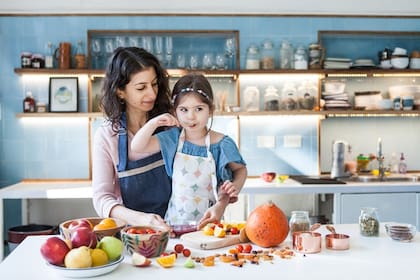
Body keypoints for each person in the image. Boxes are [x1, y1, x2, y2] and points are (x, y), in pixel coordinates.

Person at [131, 72, 247, 229]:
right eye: (183, 110)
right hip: (173, 226)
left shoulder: (222, 144)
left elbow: (240, 169)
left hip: (209, 226)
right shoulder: (172, 139)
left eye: (198, 109)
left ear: (211, 109)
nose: (191, 117)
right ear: (175, 111)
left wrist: (235, 188)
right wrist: (154, 123)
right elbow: (137, 146)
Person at [92, 47, 173, 231]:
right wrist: (141, 219)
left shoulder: (170, 123)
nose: (152, 94)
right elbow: (101, 198)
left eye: (154, 84)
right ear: (120, 91)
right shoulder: (107, 135)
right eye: (141, 88)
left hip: (178, 228)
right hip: (134, 233)